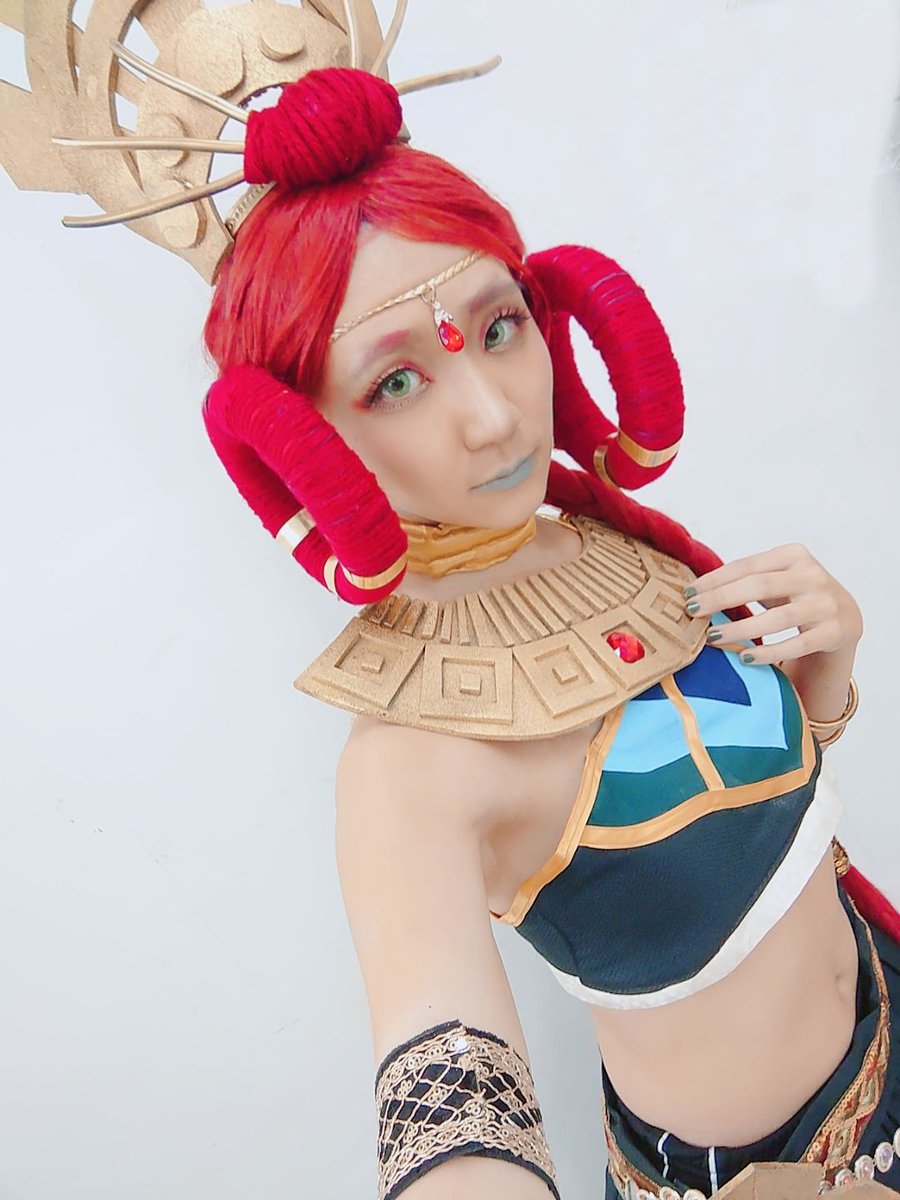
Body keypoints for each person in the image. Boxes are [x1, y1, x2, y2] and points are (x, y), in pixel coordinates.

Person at [4, 4, 898, 1197]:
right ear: (301, 438)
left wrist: (825, 679)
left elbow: (763, 829)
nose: (492, 415)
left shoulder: (618, 549)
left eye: (500, 326)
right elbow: (452, 1120)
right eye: (398, 382)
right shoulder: (411, 767)